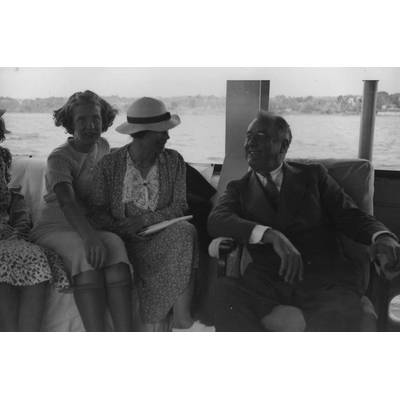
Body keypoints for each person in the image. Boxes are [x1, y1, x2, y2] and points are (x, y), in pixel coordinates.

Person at [208, 111, 400, 332]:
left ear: (283, 145)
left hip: (323, 278)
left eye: (260, 136)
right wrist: (270, 234)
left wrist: (382, 235)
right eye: (248, 136)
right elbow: (217, 220)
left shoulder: (313, 176)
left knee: (337, 314)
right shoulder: (238, 188)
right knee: (224, 293)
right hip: (269, 280)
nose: (250, 143)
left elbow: (350, 215)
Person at [89, 97, 198, 330]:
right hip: (125, 242)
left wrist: (144, 220)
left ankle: (182, 318)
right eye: (162, 133)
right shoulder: (109, 165)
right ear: (143, 134)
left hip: (162, 238)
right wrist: (122, 229)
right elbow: (95, 211)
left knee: (186, 232)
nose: (168, 137)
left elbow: (180, 205)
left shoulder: (174, 160)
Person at [30, 91, 133, 332]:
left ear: (104, 120)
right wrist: (90, 237)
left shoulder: (104, 147)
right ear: (70, 123)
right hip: (55, 227)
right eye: (82, 120)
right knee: (85, 252)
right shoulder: (59, 157)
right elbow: (67, 202)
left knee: (116, 245)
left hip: (89, 226)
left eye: (96, 119)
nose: (90, 126)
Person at [0, 109, 61, 331]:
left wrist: (20, 228)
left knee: (36, 257)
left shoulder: (3, 156)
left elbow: (12, 197)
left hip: (8, 234)